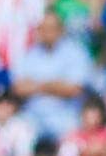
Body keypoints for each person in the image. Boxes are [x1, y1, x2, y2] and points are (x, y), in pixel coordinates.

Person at [12, 11, 95, 139]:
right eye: (42, 29)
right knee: (18, 131)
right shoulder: (29, 54)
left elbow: (73, 89)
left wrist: (36, 85)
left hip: (65, 116)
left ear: (61, 30)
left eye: (51, 29)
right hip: (32, 115)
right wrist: (56, 84)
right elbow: (19, 89)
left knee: (72, 136)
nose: (46, 33)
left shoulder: (76, 53)